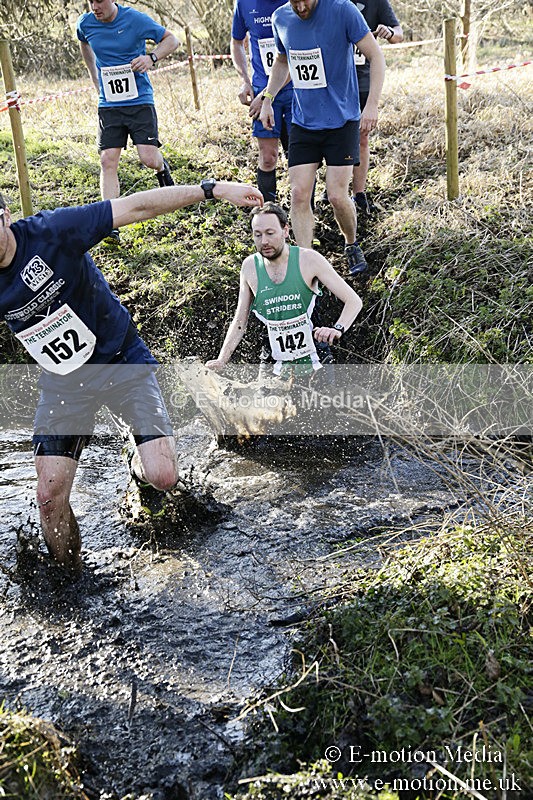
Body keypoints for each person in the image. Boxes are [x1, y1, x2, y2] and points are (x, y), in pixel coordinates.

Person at [0, 180, 263, 572]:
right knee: (49, 497)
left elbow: (138, 207)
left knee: (163, 476)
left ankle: (137, 458)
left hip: (121, 357)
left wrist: (212, 190)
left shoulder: (54, 231)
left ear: (4, 215)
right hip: (64, 383)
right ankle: (72, 581)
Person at [259, 0, 385, 275]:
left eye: (305, 0)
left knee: (337, 195)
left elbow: (376, 56)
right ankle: (307, 261)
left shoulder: (343, 10)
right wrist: (268, 97)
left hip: (342, 121)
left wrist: (372, 104)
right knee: (298, 193)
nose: (300, 6)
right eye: (294, 1)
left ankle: (351, 244)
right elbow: (283, 61)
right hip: (304, 122)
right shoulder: (281, 17)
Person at [205, 202, 362, 376]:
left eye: (270, 233)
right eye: (258, 235)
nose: (264, 241)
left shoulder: (309, 259)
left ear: (285, 231)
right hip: (272, 364)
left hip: (316, 363)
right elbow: (240, 320)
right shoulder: (249, 267)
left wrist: (337, 328)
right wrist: (222, 359)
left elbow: (353, 301)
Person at [77, 0, 179, 240]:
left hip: (139, 100)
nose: (94, 6)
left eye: (99, 1)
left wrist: (151, 58)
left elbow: (172, 40)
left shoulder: (135, 19)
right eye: (90, 1)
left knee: (148, 158)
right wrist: (95, 78)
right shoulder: (85, 23)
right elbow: (84, 44)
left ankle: (162, 168)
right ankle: (109, 222)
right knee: (107, 160)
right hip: (109, 103)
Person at [231, 0, 293, 203]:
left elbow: (295, 57)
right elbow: (236, 42)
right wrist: (245, 81)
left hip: (296, 91)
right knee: (268, 158)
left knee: (300, 159)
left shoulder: (297, 3)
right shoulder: (244, 3)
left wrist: (266, 94)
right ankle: (269, 212)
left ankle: (303, 211)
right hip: (261, 93)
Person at [352, 0, 403, 214]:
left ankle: (359, 193)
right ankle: (333, 188)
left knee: (362, 137)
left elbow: (399, 34)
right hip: (335, 81)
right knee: (334, 136)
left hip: (363, 79)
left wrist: (389, 31)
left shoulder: (377, 2)